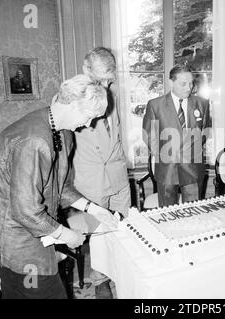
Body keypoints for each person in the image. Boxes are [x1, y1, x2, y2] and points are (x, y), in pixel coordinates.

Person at [0, 74, 119, 299]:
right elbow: (25, 211)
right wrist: (67, 235)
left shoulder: (64, 132)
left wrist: (94, 208)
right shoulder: (34, 141)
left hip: (34, 231)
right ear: (72, 105)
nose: (89, 124)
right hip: (11, 241)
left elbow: (62, 188)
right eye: (90, 116)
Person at [72, 47, 130, 298]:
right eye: (102, 78)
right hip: (92, 179)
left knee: (122, 229)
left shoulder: (111, 94)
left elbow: (115, 131)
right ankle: (100, 282)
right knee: (98, 236)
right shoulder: (68, 98)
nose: (107, 84)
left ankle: (123, 272)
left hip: (117, 175)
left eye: (110, 79)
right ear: (86, 70)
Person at [143, 65, 211, 207]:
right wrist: (166, 157)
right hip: (167, 169)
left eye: (191, 83)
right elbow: (150, 137)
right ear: (171, 82)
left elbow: (205, 131)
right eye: (183, 84)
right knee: (167, 213)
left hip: (193, 168)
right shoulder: (155, 105)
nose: (189, 88)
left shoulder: (202, 104)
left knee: (193, 213)